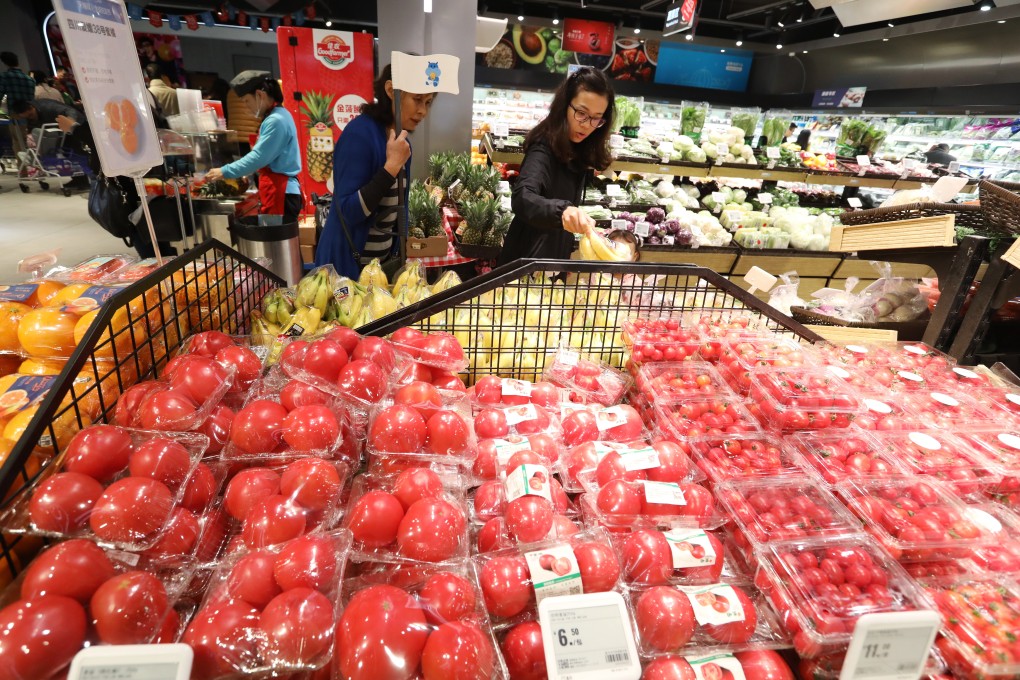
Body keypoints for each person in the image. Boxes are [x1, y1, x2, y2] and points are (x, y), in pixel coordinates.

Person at [314, 63, 436, 277]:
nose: (422, 111)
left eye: (428, 102)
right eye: (417, 99)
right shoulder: (360, 134)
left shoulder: (400, 139)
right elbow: (349, 211)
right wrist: (391, 167)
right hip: (345, 269)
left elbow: (399, 206)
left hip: (377, 271)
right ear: (391, 91)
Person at [497, 67, 615, 265]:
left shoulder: (578, 147)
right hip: (526, 261)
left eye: (596, 118)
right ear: (564, 106)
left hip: (552, 257)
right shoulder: (543, 146)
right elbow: (523, 197)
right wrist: (562, 211)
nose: (587, 124)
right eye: (581, 113)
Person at [204, 71, 303, 223]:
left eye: (246, 101)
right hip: (280, 192)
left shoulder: (276, 120)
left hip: (280, 193)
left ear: (259, 95)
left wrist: (225, 171)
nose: (246, 107)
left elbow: (258, 157)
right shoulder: (279, 115)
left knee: (276, 245)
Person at [8, 98, 83, 127]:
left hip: (80, 123)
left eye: (31, 115)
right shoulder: (31, 114)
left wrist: (70, 121)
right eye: (27, 118)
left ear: (31, 107)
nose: (31, 118)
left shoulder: (48, 106)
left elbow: (70, 111)